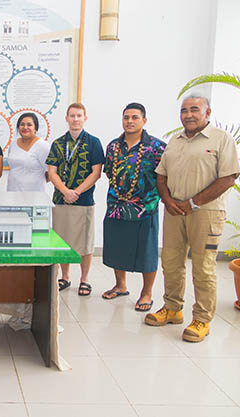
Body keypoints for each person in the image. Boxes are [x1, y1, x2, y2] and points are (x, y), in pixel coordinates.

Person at [145, 95, 240, 342]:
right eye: (184, 110)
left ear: (208, 112)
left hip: (206, 214)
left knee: (204, 266)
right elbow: (161, 176)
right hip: (175, 211)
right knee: (171, 262)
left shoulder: (221, 139)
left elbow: (228, 178)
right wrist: (167, 200)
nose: (188, 114)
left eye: (194, 110)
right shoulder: (174, 141)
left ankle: (202, 319)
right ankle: (173, 308)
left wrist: (194, 202)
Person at [101, 103, 166, 311]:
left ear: (144, 120)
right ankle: (120, 285)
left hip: (144, 208)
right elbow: (109, 173)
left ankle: (146, 293)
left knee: (147, 251)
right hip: (116, 206)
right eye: (126, 117)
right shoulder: (113, 146)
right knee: (117, 246)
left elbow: (163, 177)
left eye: (135, 117)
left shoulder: (157, 147)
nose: (129, 121)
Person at [46, 103, 104, 296]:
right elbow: (51, 172)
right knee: (63, 240)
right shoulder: (57, 143)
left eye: (79, 115)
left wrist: (76, 192)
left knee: (86, 242)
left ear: (85, 118)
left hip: (83, 200)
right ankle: (65, 276)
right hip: (61, 199)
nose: (75, 119)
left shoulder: (93, 143)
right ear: (66, 118)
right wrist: (64, 191)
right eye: (72, 115)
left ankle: (85, 279)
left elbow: (96, 173)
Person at [7, 113, 51, 192]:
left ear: (35, 128)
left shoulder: (42, 146)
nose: (25, 127)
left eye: (29, 125)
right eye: (22, 124)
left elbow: (51, 173)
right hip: (13, 191)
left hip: (35, 194)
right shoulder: (13, 144)